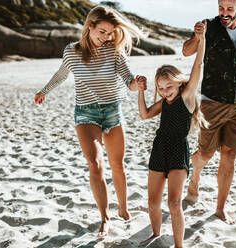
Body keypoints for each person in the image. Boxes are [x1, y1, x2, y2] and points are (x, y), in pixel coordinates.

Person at [34, 6, 144, 238]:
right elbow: (61, 75)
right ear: (89, 26)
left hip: (113, 112)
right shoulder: (71, 51)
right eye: (102, 31)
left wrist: (138, 83)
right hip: (86, 114)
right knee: (95, 164)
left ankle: (123, 208)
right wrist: (44, 91)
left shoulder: (114, 51)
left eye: (110, 33)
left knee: (118, 165)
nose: (106, 37)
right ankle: (105, 218)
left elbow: (128, 80)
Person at [182, 0, 236, 224]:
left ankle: (220, 208)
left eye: (229, 8)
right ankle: (195, 178)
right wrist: (197, 36)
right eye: (221, 8)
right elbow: (186, 51)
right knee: (206, 154)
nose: (224, 13)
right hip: (213, 101)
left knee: (229, 155)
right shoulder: (208, 27)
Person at [137, 21, 206, 248]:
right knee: (152, 202)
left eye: (169, 87)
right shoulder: (163, 102)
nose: (166, 92)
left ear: (178, 83)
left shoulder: (186, 97)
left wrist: (201, 38)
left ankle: (179, 245)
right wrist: (141, 91)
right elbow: (145, 115)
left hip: (178, 150)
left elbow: (198, 65)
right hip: (159, 149)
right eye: (162, 88)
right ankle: (155, 234)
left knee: (174, 204)